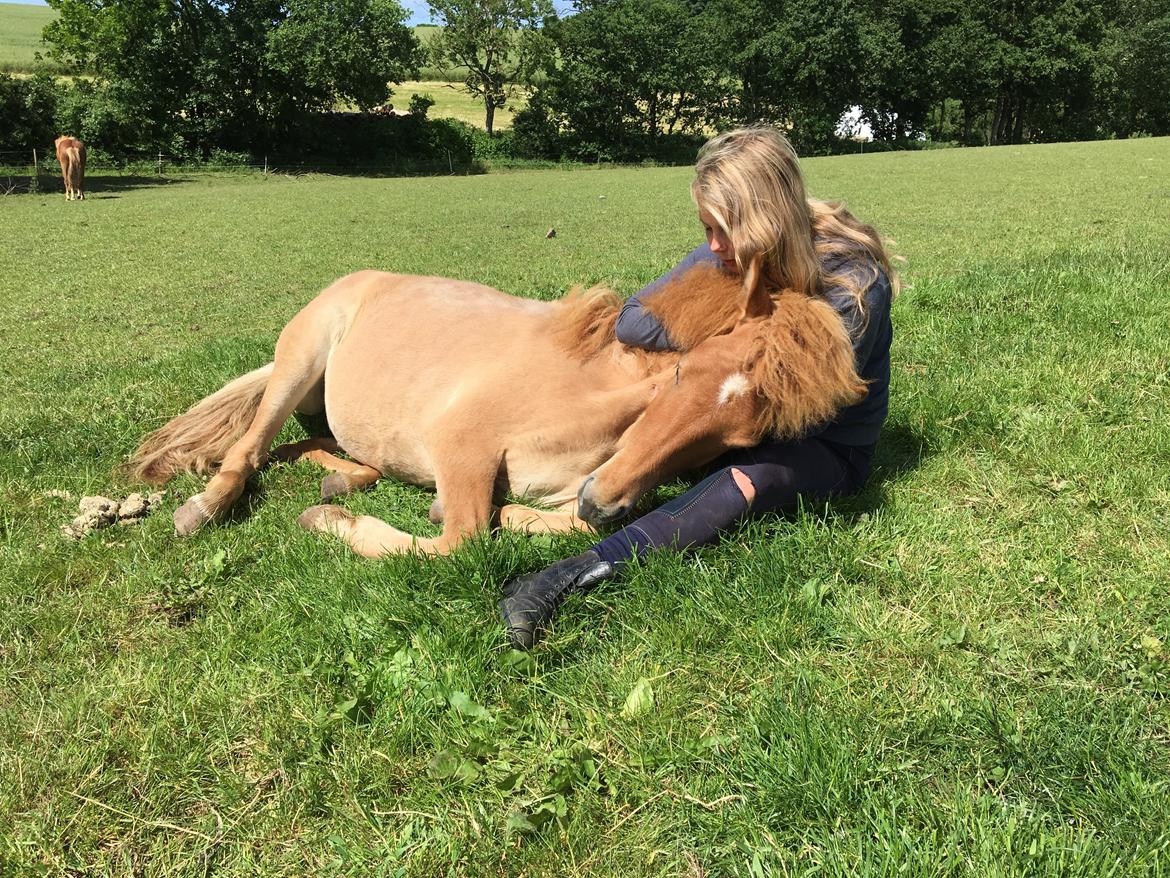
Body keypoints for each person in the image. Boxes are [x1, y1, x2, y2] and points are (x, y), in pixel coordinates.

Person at [499, 125, 897, 649]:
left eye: (725, 230)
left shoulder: (853, 285)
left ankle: (572, 574)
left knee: (754, 479)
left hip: (821, 444)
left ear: (766, 222)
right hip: (735, 410)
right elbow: (632, 321)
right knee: (683, 395)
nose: (712, 246)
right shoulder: (726, 258)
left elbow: (795, 413)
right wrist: (725, 318)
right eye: (706, 228)